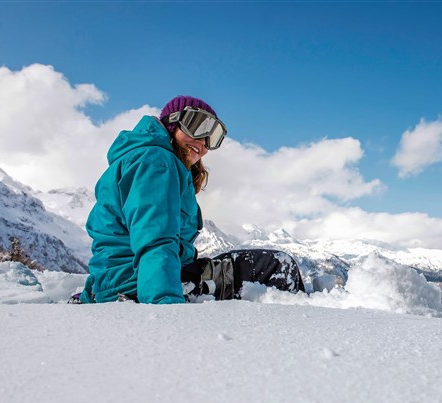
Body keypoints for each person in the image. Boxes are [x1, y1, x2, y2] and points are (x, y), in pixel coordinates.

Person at [78, 95, 304, 304]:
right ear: (172, 123)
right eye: (198, 126)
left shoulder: (144, 158)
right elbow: (155, 240)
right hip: (137, 285)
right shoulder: (156, 161)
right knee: (276, 266)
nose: (204, 144)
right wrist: (164, 306)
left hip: (126, 280)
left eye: (212, 137)